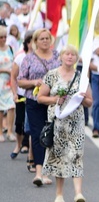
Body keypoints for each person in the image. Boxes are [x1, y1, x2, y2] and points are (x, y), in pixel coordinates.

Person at [36, 45, 93, 202]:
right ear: (61, 57)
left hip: (76, 123)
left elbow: (90, 102)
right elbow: (40, 97)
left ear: (76, 59)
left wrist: (81, 98)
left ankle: (78, 193)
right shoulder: (51, 75)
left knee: (76, 154)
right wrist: (55, 100)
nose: (70, 57)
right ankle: (59, 194)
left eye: (73, 55)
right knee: (59, 155)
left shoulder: (81, 78)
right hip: (58, 122)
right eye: (67, 54)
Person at [18, 29, 60, 186]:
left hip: (53, 101)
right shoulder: (29, 59)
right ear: (35, 41)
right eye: (41, 38)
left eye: (47, 38)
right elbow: (20, 80)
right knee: (37, 134)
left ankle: (49, 170)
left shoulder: (57, 57)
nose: (44, 41)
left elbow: (65, 73)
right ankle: (39, 172)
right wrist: (34, 82)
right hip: (34, 100)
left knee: (52, 134)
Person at [10, 32, 32, 159]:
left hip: (34, 96)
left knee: (31, 124)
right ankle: (18, 145)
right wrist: (14, 93)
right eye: (30, 42)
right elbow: (13, 77)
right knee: (19, 123)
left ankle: (29, 151)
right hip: (21, 94)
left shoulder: (40, 57)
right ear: (26, 43)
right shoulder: (20, 57)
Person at [0, 26, 15, 142]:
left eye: (5, 37)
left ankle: (10, 131)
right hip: (1, 80)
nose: (3, 39)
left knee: (11, 106)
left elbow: (14, 63)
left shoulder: (10, 48)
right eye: (1, 37)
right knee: (0, 108)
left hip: (10, 81)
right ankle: (0, 132)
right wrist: (5, 70)